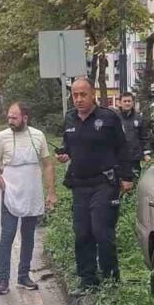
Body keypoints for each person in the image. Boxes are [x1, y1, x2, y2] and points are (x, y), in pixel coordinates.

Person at [56, 78, 134, 293]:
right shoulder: (70, 118)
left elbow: (122, 148)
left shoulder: (108, 118)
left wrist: (126, 177)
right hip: (79, 185)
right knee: (82, 234)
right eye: (75, 95)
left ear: (93, 96)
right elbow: (69, 146)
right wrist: (64, 153)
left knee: (102, 232)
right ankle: (87, 280)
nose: (79, 99)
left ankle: (111, 282)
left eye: (83, 95)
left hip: (104, 183)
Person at [0, 102, 56, 295]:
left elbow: (48, 165)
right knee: (7, 235)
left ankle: (24, 275)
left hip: (32, 192)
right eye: (9, 117)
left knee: (28, 236)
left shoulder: (38, 136)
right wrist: (3, 186)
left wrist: (51, 192)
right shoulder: (2, 138)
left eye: (14, 117)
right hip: (10, 193)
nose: (10, 121)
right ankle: (3, 279)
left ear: (25, 118)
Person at [115, 92, 151, 179]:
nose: (127, 103)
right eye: (125, 101)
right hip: (119, 159)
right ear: (120, 103)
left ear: (133, 102)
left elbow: (144, 137)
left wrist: (146, 153)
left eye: (129, 101)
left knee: (135, 182)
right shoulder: (115, 118)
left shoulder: (139, 118)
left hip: (135, 158)